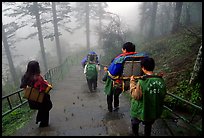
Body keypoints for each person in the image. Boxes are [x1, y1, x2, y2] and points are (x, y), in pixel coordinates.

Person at [105, 42, 148, 112]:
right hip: (137, 81)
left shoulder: (120, 59)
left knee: (112, 91)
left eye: (122, 49)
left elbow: (112, 73)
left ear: (125, 50)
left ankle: (111, 108)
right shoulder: (142, 57)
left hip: (123, 82)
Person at [129, 57, 166, 136]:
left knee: (135, 122)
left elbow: (136, 96)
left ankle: (135, 134)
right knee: (148, 125)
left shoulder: (142, 81)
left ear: (143, 68)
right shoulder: (160, 80)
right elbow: (163, 94)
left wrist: (132, 82)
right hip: (152, 109)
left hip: (140, 109)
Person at [20, 60, 53, 127]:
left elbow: (23, 87)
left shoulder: (25, 76)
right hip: (41, 97)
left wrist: (30, 89)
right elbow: (43, 87)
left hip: (32, 98)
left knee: (43, 108)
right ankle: (43, 123)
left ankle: (40, 119)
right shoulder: (38, 77)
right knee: (47, 106)